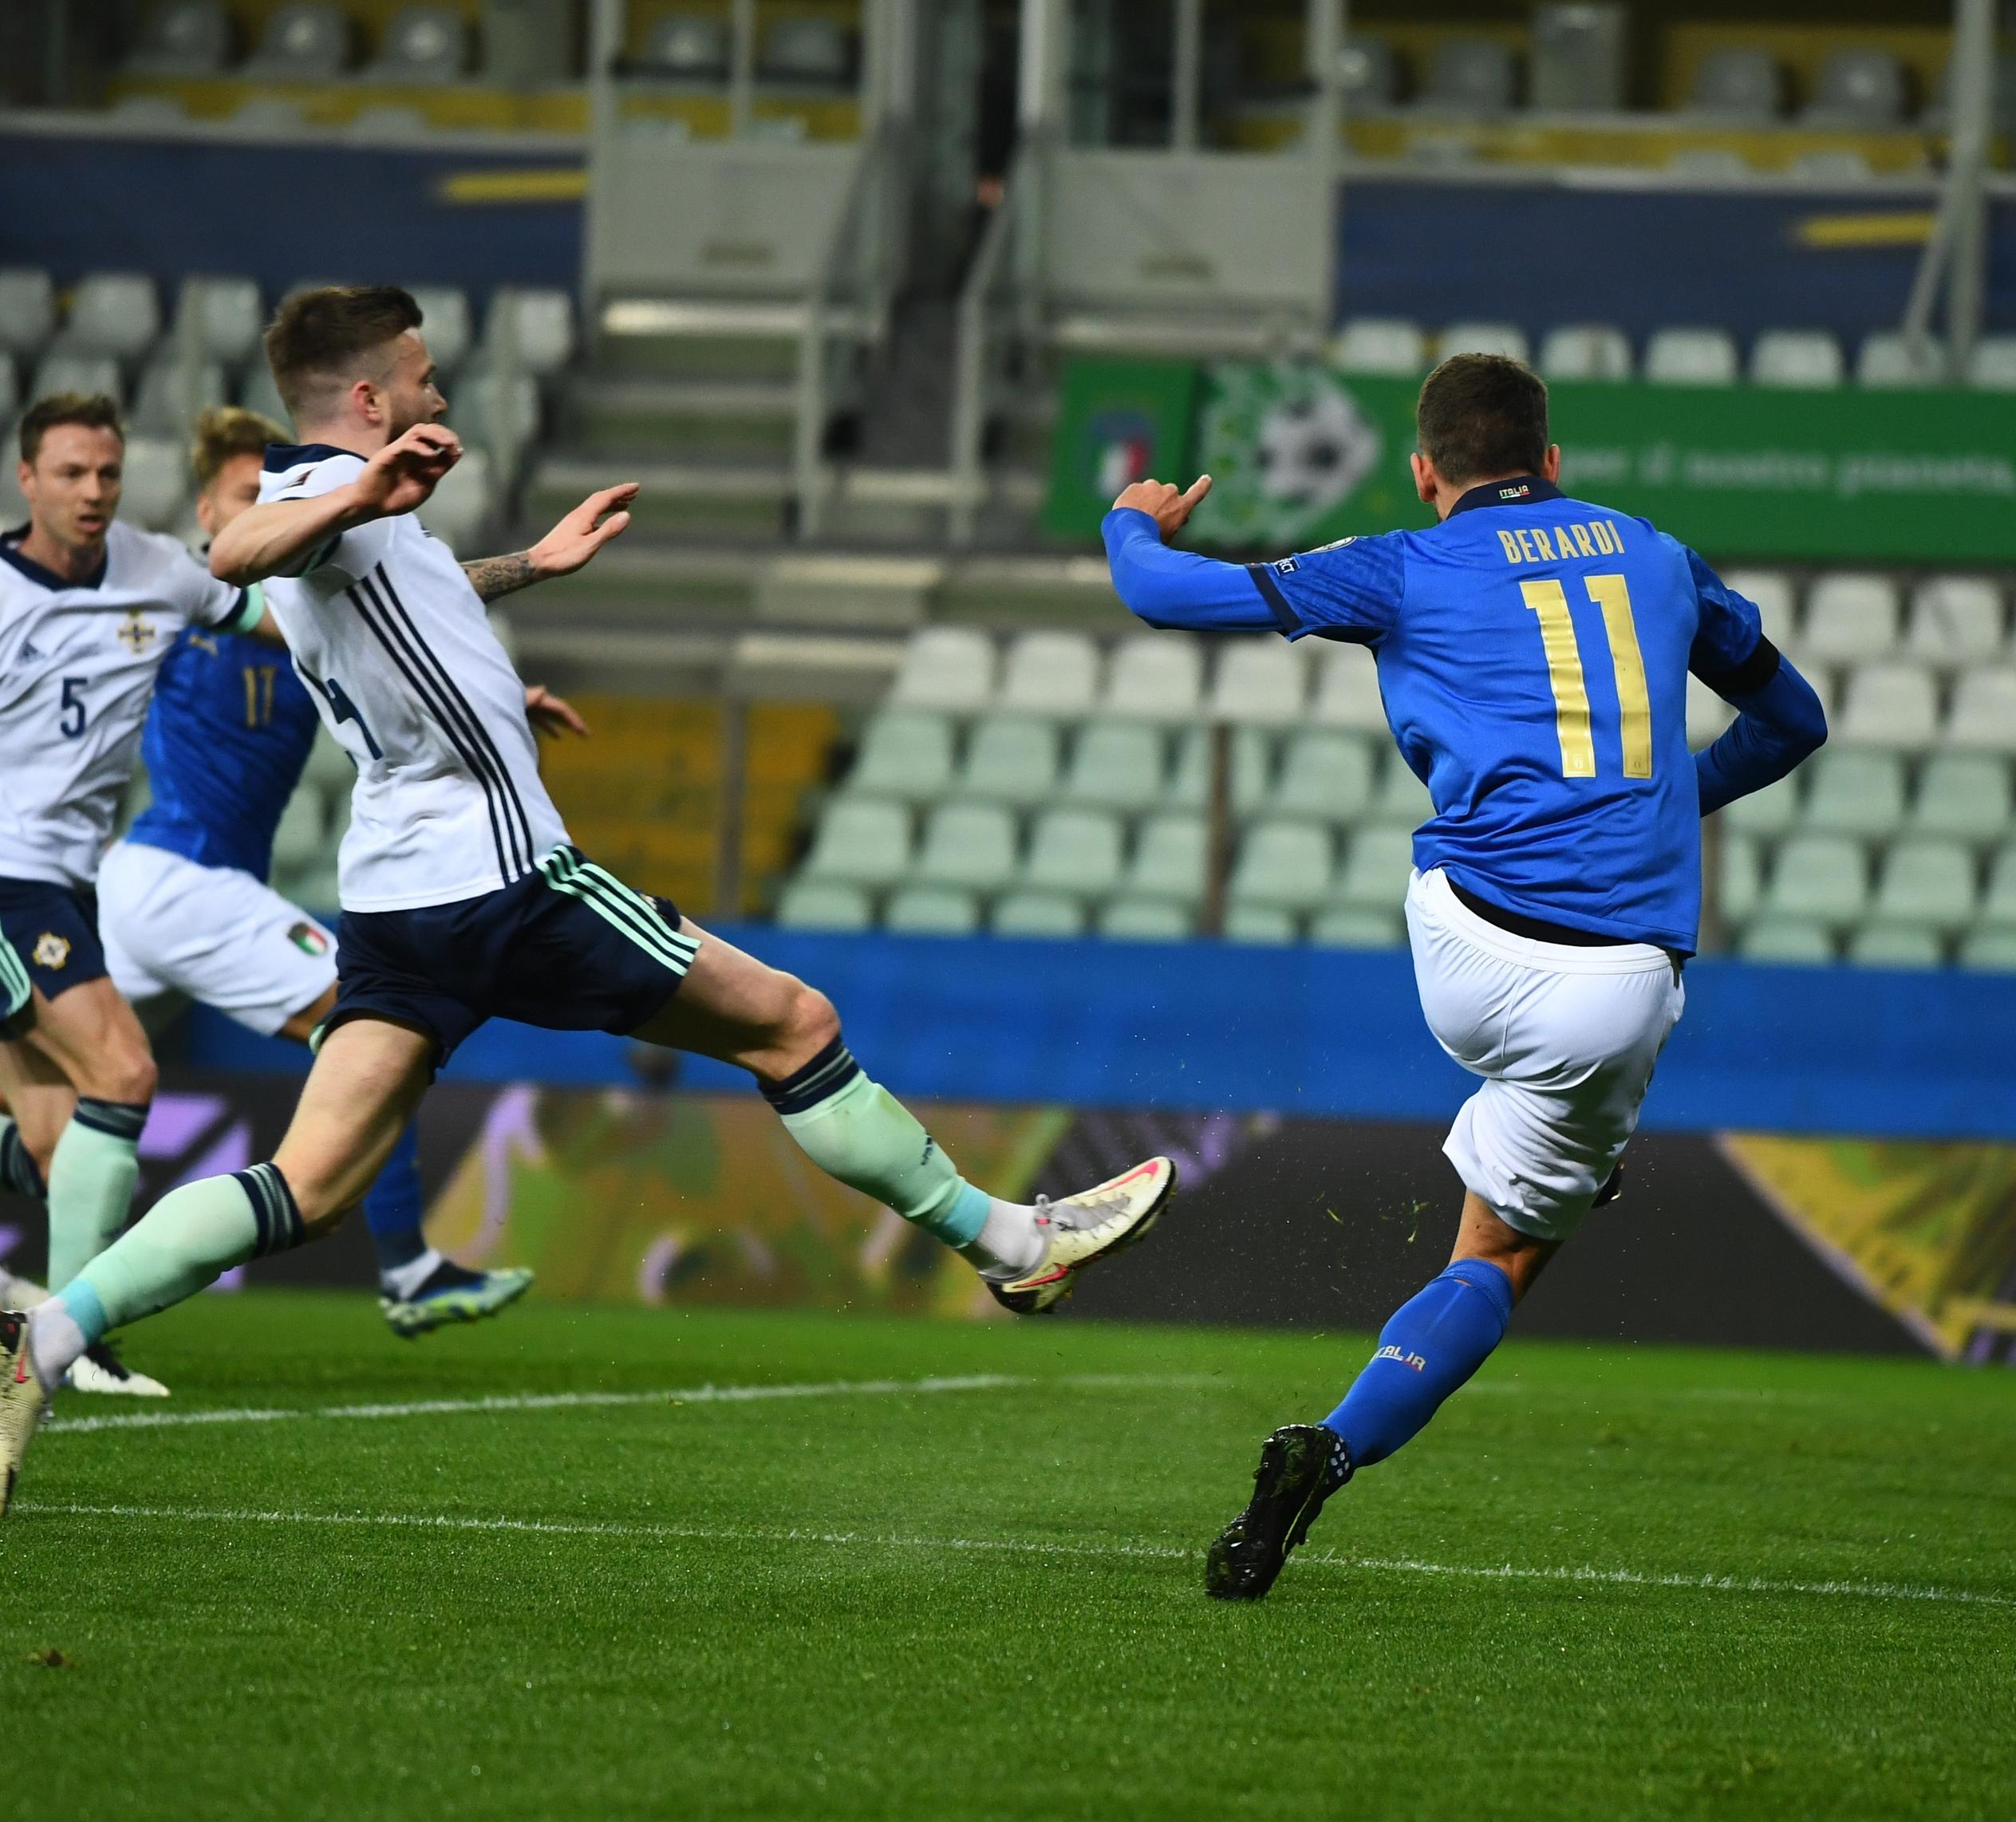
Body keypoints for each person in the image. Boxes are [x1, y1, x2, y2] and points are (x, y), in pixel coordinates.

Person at [0, 287, 1176, 1512]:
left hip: (400, 903)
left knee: (305, 1184)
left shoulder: (365, 520)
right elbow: (239, 547)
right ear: (366, 398)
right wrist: (363, 488)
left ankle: (53, 1334)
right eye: (420, 373)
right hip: (504, 880)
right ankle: (1015, 1248)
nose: (438, 391)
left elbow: (389, 580)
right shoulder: (313, 493)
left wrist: (532, 564)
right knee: (794, 1024)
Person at [1101, 353, 1829, 1599]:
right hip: (1607, 990)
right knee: (1494, 1259)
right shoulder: (1653, 555)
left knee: (1514, 1086)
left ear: (1427, 471)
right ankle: (1328, 1444)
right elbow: (1792, 721)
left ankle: (1538, 1138)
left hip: (1458, 937)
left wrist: (1130, 519)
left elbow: (1164, 595)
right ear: (1553, 462)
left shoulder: (1398, 558)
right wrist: (1660, 802)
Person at [97, 407, 533, 1340]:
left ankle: (65, 1310)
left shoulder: (294, 603)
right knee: (369, 1021)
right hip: (181, 878)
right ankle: (409, 1269)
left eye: (272, 492)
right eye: (246, 497)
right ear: (210, 506)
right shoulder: (182, 596)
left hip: (157, 890)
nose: (265, 508)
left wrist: (504, 687)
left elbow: (409, 608)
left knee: (61, 1095)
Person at [0, 390, 274, 1394]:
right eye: (70, 473)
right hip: (6, 883)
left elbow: (285, 625)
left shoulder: (161, 572)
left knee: (47, 1137)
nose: (93, 492)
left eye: (107, 473)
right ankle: (69, 1345)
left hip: (72, 883)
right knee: (122, 1074)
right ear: (27, 478)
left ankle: (45, 1331)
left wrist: (465, 676)